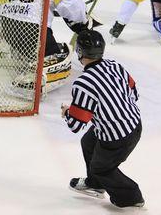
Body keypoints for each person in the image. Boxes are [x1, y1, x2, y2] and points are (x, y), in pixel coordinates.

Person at [61, 30, 144, 209]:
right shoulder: (114, 66)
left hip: (118, 137)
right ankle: (95, 184)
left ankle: (131, 198)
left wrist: (67, 112)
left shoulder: (83, 83)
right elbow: (134, 93)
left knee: (101, 169)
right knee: (88, 142)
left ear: (80, 52)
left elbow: (75, 124)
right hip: (134, 123)